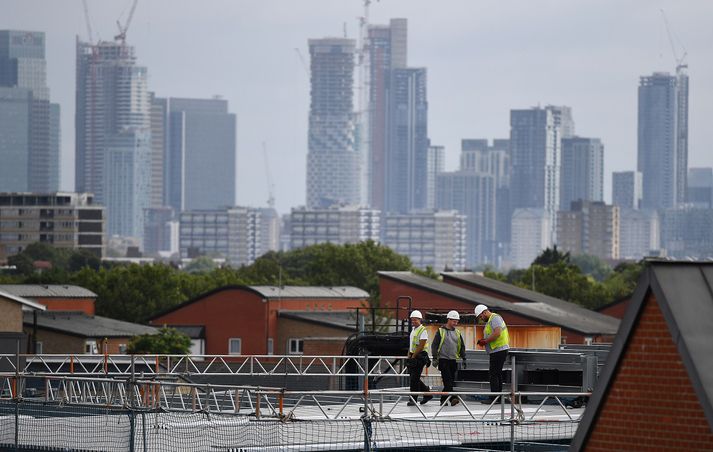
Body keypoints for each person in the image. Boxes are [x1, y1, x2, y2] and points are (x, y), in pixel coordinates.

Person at [474, 304, 510, 403]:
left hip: (498, 350)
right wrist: (485, 340)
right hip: (497, 350)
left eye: (481, 316)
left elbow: (497, 333)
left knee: (493, 374)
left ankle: (494, 398)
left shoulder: (495, 318)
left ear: (484, 312)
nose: (481, 319)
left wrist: (485, 341)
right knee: (497, 374)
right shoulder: (491, 320)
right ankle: (498, 397)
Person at [431, 310, 466, 406]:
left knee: (449, 382)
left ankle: (443, 399)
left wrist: (464, 357)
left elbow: (462, 346)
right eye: (454, 321)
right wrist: (434, 358)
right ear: (449, 320)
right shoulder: (441, 331)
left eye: (457, 321)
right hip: (443, 360)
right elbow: (434, 345)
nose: (456, 323)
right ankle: (453, 398)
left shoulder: (458, 333)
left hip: (453, 360)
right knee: (448, 381)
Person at [406, 310, 432, 406]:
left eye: (415, 320)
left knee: (414, 379)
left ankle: (413, 399)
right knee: (414, 378)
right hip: (414, 355)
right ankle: (427, 394)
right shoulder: (413, 330)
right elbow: (412, 344)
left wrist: (413, 356)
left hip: (420, 356)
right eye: (412, 320)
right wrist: (409, 354)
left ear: (420, 319)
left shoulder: (423, 330)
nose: (413, 322)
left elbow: (421, 345)